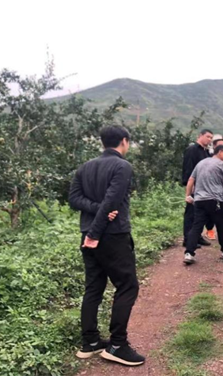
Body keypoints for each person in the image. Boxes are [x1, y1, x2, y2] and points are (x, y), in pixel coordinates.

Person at [68, 125, 145, 366]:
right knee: (127, 285)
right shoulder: (122, 166)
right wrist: (95, 232)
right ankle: (117, 345)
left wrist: (92, 222)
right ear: (124, 141)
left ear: (102, 142)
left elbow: (74, 199)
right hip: (111, 235)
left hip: (88, 234)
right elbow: (111, 201)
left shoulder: (85, 167)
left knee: (94, 286)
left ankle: (90, 341)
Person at [182, 129, 213, 247]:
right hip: (194, 186)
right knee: (191, 213)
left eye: (211, 138)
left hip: (204, 187)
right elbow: (188, 168)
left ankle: (197, 237)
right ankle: (188, 239)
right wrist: (190, 187)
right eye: (208, 136)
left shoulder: (206, 152)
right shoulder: (192, 149)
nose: (209, 139)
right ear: (200, 136)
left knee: (201, 214)